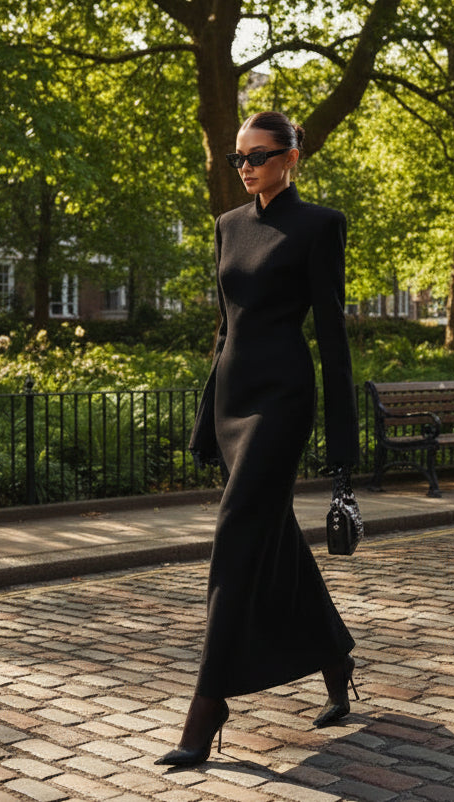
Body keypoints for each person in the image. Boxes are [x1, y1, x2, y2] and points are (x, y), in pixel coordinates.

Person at [155, 110, 360, 768]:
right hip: (233, 404)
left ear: (291, 158)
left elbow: (331, 338)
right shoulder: (226, 227)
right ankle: (334, 660)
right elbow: (224, 330)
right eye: (237, 158)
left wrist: (342, 449)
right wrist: (204, 419)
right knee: (271, 540)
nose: (245, 168)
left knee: (235, 538)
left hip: (281, 403)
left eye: (260, 156)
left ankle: (207, 705)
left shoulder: (319, 226)